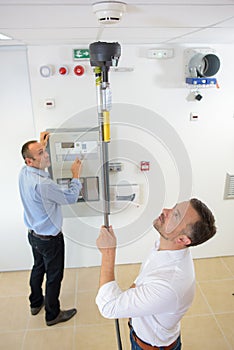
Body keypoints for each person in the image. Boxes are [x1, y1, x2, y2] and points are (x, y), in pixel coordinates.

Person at [96, 198, 216, 350]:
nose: (165, 211)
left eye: (176, 215)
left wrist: (108, 252)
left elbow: (108, 307)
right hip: (143, 335)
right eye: (173, 208)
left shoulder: (169, 284)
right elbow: (146, 278)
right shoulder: (165, 246)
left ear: (183, 239)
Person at [19, 131, 82, 326]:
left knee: (38, 268)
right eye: (41, 153)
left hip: (34, 236)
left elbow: (37, 159)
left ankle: (35, 303)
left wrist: (42, 143)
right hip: (50, 240)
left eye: (44, 151)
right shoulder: (44, 184)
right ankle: (52, 314)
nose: (46, 155)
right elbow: (70, 198)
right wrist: (75, 176)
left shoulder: (24, 172)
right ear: (30, 161)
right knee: (54, 276)